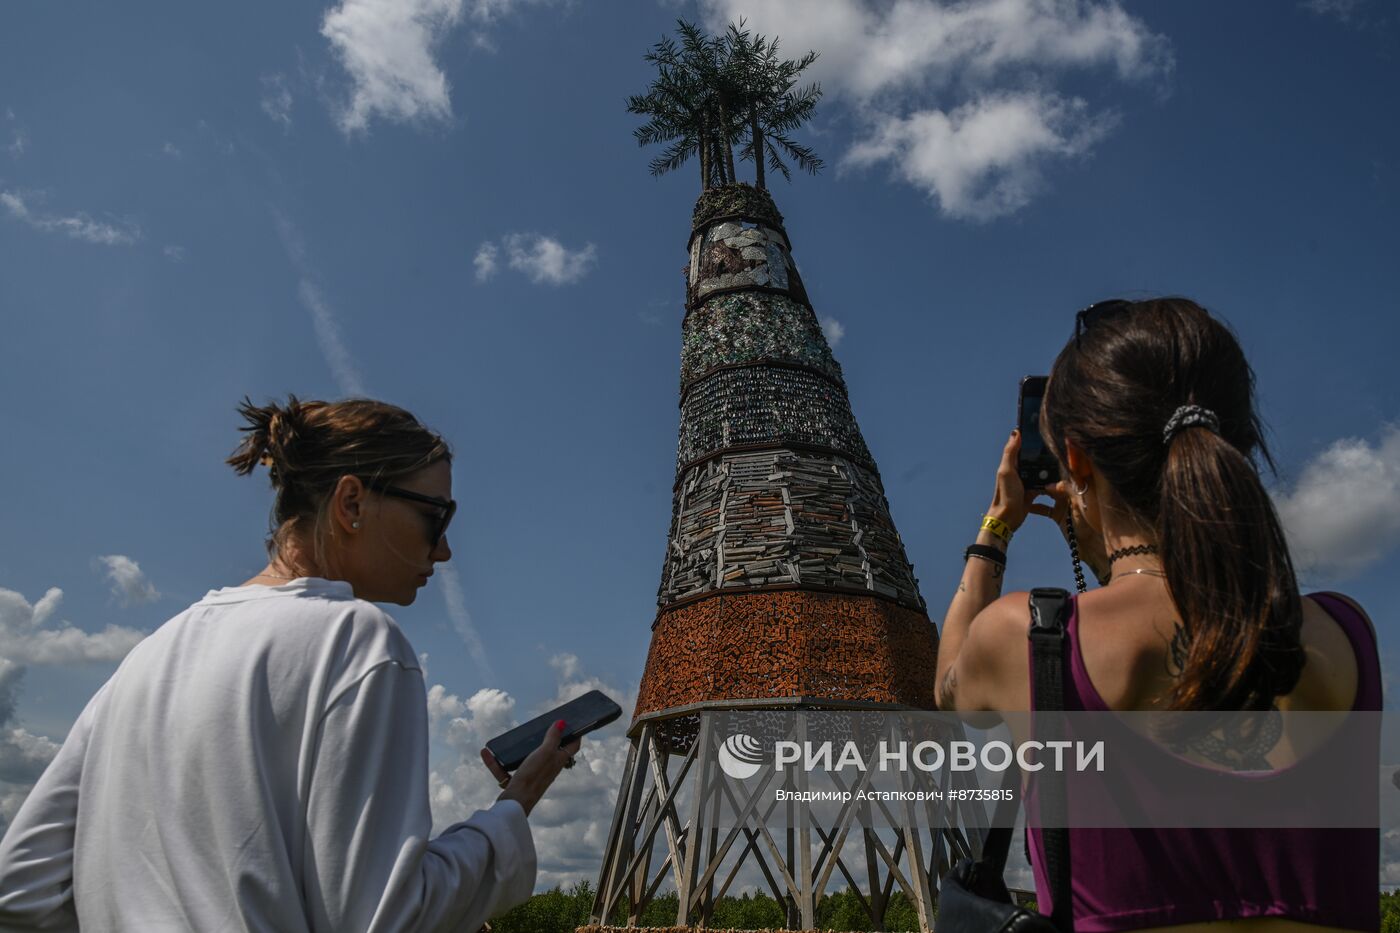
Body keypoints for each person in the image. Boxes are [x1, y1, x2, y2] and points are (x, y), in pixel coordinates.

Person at [0, 396, 577, 931]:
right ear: (352, 502)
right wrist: (510, 812)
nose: (445, 549)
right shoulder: (356, 640)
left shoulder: (145, 659)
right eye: (437, 516)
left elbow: (21, 887)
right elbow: (384, 917)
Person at [935, 298, 1380, 931]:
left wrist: (996, 527)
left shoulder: (1029, 639)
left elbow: (951, 689)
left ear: (1076, 459)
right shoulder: (1344, 634)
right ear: (1237, 442)